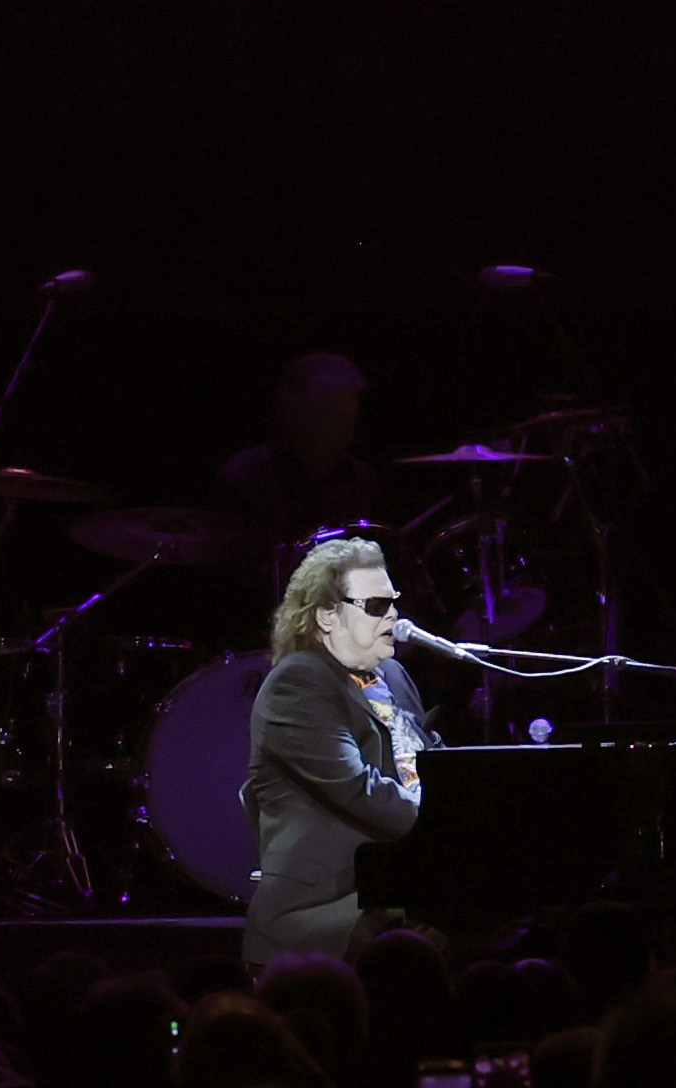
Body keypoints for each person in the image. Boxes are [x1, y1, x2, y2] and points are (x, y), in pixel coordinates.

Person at [242, 534, 428, 971]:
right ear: (327, 615)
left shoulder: (393, 676)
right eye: (377, 606)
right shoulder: (299, 683)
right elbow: (359, 789)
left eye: (394, 602)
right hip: (328, 906)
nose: (395, 615)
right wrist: (452, 825)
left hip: (395, 883)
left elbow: (432, 765)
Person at [220, 357, 387, 549]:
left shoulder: (362, 481)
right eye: (335, 419)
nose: (348, 435)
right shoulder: (245, 479)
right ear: (297, 415)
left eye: (350, 421)